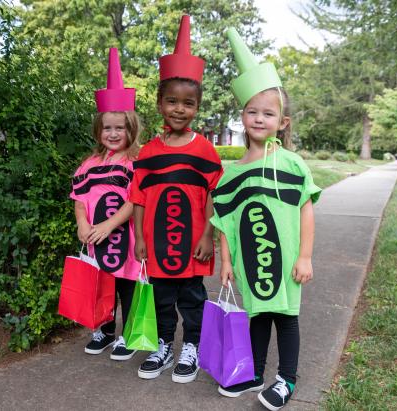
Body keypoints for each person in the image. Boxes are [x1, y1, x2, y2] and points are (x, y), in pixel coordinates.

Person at [210, 28, 321, 410]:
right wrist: (226, 262)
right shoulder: (232, 173)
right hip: (252, 262)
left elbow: (306, 209)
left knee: (285, 318)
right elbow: (225, 220)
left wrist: (305, 256)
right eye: (252, 111)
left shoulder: (291, 165)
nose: (259, 118)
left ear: (283, 122)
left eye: (268, 113)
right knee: (257, 315)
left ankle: (286, 379)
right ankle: (253, 372)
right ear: (242, 116)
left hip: (288, 260)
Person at [129, 15, 223, 384]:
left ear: (197, 107)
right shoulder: (149, 152)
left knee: (192, 298)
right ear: (159, 103)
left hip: (193, 244)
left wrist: (207, 236)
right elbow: (138, 197)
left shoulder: (206, 151)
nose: (179, 109)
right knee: (162, 298)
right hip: (157, 244)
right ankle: (164, 344)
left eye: (188, 103)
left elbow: (214, 193)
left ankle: (192, 347)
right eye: (172, 101)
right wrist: (138, 237)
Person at [70, 48, 142, 361]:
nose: (113, 134)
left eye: (119, 127)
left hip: (125, 238)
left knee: (127, 284)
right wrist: (83, 224)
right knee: (103, 283)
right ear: (99, 130)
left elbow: (135, 199)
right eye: (107, 128)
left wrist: (111, 224)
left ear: (131, 129)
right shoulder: (88, 165)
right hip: (97, 240)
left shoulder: (135, 163)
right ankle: (105, 330)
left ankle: (129, 334)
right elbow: (80, 199)